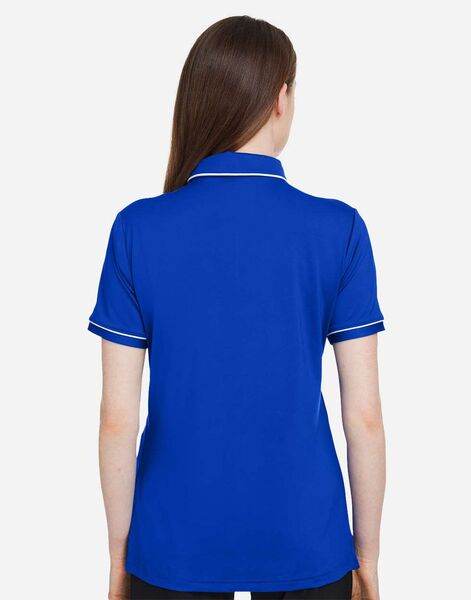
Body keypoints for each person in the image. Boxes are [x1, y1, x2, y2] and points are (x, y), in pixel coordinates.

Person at [88, 15, 386, 600]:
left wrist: (120, 556)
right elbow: (365, 417)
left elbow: (117, 418)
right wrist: (368, 555)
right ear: (280, 98)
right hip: (308, 540)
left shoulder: (137, 229)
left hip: (170, 546)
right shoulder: (339, 229)